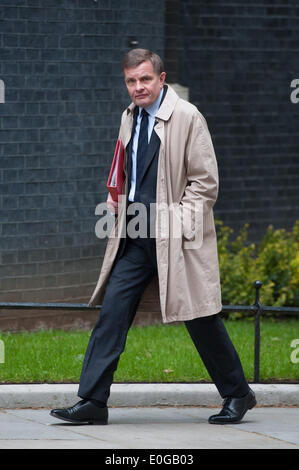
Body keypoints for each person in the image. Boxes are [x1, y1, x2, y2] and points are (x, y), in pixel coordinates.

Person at [50, 49, 256, 425]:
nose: (138, 87)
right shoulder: (129, 118)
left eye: (145, 79)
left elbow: (205, 185)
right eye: (131, 81)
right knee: (112, 314)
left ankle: (239, 394)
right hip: (135, 234)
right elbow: (126, 170)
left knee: (200, 318)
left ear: (162, 79)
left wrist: (172, 224)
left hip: (176, 239)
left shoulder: (188, 118)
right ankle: (93, 401)